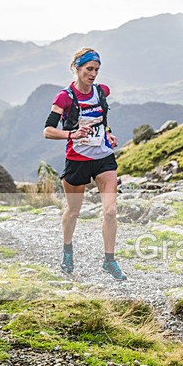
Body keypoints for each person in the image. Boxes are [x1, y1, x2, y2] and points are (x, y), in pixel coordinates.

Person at [43, 48, 127, 281]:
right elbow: (48, 131)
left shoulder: (101, 92)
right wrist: (72, 134)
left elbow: (101, 120)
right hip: (77, 161)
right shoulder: (64, 97)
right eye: (89, 69)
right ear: (76, 68)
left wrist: (107, 133)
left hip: (103, 158)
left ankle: (109, 260)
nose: (93, 74)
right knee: (73, 212)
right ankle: (67, 251)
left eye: (97, 70)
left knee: (110, 211)